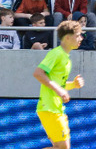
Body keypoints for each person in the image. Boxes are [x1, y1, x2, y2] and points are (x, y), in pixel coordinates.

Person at [34, 19, 86, 149]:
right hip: (49, 108)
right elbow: (38, 73)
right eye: (78, 35)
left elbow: (59, 84)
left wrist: (73, 85)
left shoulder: (65, 57)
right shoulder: (56, 53)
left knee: (60, 147)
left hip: (55, 108)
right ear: (68, 38)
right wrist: (59, 90)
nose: (81, 38)